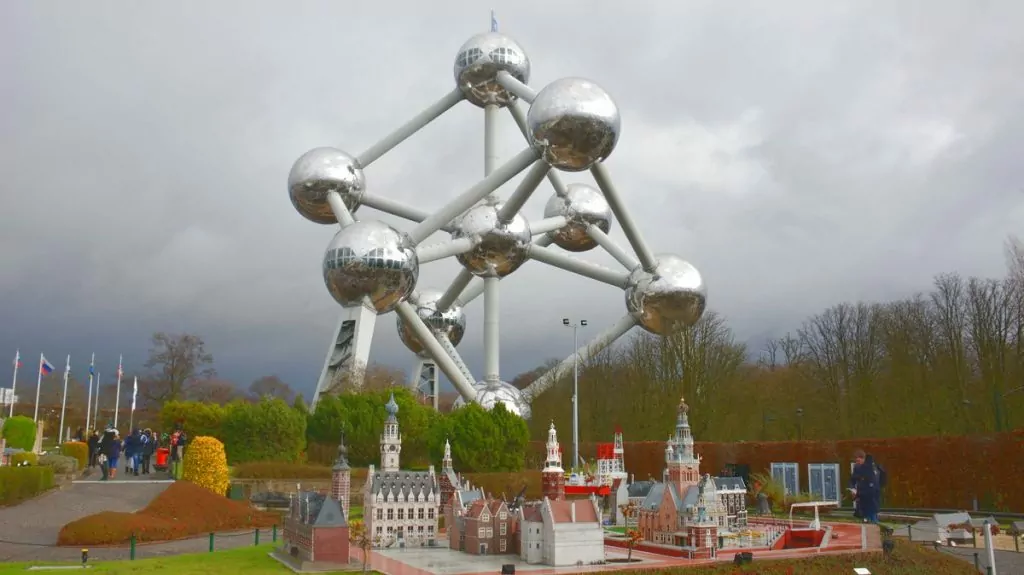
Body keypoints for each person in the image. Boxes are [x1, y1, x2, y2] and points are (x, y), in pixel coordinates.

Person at [849, 450, 880, 523]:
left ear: (863, 459)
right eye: (856, 461)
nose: (857, 463)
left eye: (858, 461)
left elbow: (871, 486)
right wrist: (853, 489)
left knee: (872, 518)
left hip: (871, 497)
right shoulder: (858, 468)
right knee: (865, 518)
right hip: (862, 497)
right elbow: (852, 479)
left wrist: (857, 494)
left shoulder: (871, 469)